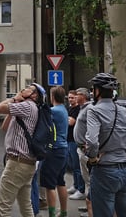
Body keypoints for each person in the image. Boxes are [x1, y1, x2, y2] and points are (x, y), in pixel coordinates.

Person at [85, 73, 126, 217]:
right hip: (124, 170)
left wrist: (92, 158)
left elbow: (92, 142)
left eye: (93, 89)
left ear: (98, 91)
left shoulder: (94, 110)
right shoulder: (124, 111)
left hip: (104, 170)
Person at [0, 83, 45, 217]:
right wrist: (15, 104)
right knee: (25, 205)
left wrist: (13, 99)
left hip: (17, 163)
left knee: (3, 206)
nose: (24, 88)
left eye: (29, 88)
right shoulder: (29, 108)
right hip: (27, 163)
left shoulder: (27, 106)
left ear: (34, 95)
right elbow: (5, 127)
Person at [40, 86, 68, 217]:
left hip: (54, 150)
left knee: (49, 185)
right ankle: (63, 212)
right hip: (63, 149)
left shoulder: (54, 111)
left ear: (52, 97)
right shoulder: (63, 109)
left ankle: (51, 214)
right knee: (60, 182)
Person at [73, 87, 93, 217]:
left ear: (84, 96)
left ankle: (92, 208)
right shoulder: (82, 108)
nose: (75, 97)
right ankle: (88, 206)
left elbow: (92, 128)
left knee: (90, 180)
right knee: (86, 179)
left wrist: (88, 145)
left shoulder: (89, 109)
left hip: (85, 150)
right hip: (80, 148)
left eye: (78, 94)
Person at [66, 90, 86, 200]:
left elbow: (71, 122)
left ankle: (81, 190)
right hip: (68, 139)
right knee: (72, 165)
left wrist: (66, 118)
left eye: (73, 97)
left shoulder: (78, 110)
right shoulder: (69, 109)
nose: (70, 99)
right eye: (69, 98)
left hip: (75, 141)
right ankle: (75, 185)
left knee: (77, 167)